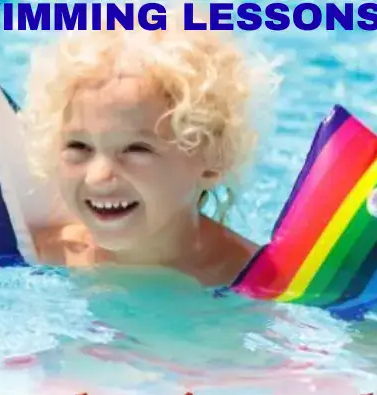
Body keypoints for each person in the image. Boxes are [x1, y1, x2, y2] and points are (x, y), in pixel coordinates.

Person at [17, 5, 280, 288]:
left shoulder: (258, 283)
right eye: (79, 147)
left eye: (136, 149)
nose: (98, 176)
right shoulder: (40, 254)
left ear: (212, 158)